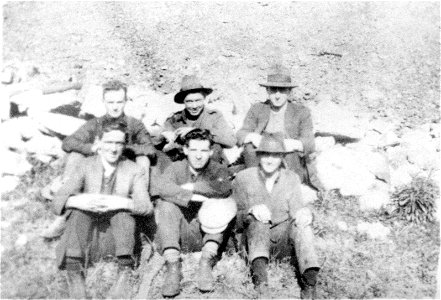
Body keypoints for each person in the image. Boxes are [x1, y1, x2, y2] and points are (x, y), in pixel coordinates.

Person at [41, 79, 156, 238]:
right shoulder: (95, 124)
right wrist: (92, 148)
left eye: (119, 102)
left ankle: (142, 213)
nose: (115, 106)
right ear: (104, 102)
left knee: (144, 159)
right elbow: (69, 142)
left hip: (125, 173)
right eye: (110, 102)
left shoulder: (134, 124)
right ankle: (65, 211)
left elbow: (150, 148)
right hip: (97, 172)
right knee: (76, 154)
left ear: (125, 102)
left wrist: (125, 149)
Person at [53, 120, 153, 299]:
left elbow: (146, 206)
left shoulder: (133, 169)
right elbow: (58, 199)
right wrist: (77, 201)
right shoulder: (86, 165)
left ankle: (124, 272)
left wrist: (122, 203)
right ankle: (75, 273)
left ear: (124, 145)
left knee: (124, 213)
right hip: (87, 238)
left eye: (119, 143)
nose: (113, 149)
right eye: (109, 142)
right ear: (98, 143)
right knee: (78, 211)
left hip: (117, 240)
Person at [232, 133, 320, 299]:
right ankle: (261, 283)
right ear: (258, 156)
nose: (270, 160)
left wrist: (305, 214)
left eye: (276, 155)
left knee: (303, 225)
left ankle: (310, 282)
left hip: (280, 240)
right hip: (252, 239)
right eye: (266, 154)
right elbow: (234, 218)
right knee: (259, 221)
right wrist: (251, 211)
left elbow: (297, 209)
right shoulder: (244, 178)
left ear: (282, 158)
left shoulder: (291, 178)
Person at [151, 128, 234, 297]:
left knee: (218, 203)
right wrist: (190, 196)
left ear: (211, 151)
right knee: (166, 205)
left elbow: (224, 187)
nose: (198, 155)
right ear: (185, 150)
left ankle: (206, 263)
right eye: (194, 150)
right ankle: (173, 267)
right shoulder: (176, 168)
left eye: (204, 150)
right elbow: (163, 187)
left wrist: (195, 187)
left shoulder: (218, 169)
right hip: (179, 232)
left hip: (207, 233)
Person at [236, 65, 323, 191]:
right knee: (249, 148)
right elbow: (241, 133)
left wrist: (294, 144)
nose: (277, 95)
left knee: (289, 170)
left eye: (282, 90)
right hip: (262, 157)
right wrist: (252, 137)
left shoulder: (301, 112)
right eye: (273, 90)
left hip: (287, 158)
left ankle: (287, 185)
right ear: (267, 91)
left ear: (289, 91)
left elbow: (309, 143)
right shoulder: (257, 108)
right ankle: (254, 184)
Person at [156, 75, 236, 172]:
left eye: (198, 100)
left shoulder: (214, 116)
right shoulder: (175, 119)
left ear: (204, 99)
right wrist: (164, 135)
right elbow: (155, 139)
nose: (194, 106)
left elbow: (231, 140)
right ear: (183, 102)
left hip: (211, 169)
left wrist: (197, 131)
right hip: (183, 169)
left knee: (214, 147)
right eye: (189, 101)